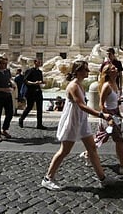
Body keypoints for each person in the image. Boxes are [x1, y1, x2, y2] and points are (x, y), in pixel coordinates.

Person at [41, 60, 116, 191]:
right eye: (85, 70)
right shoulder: (74, 86)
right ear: (78, 71)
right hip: (73, 121)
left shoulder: (80, 85)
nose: (88, 72)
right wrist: (101, 115)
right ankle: (48, 178)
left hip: (81, 120)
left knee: (92, 148)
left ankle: (103, 178)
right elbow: (81, 105)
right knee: (65, 150)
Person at [81, 64, 123, 176]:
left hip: (115, 113)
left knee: (102, 137)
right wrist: (108, 118)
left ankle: (87, 154)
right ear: (108, 73)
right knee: (119, 140)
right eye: (113, 68)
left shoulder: (114, 84)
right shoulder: (106, 86)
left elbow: (114, 102)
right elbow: (101, 104)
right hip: (108, 115)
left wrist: (119, 113)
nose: (116, 69)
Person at [19, 59, 45, 129]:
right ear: (34, 62)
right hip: (30, 92)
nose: (39, 63)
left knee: (40, 108)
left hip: (38, 91)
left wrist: (42, 82)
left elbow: (41, 81)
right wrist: (34, 83)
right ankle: (21, 119)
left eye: (40, 62)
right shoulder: (29, 71)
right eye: (38, 62)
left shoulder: (40, 72)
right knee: (29, 107)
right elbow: (25, 81)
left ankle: (39, 124)